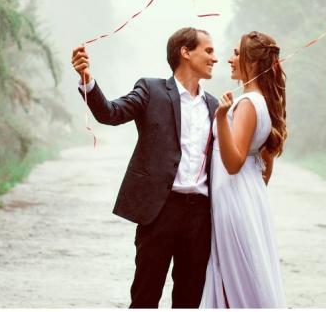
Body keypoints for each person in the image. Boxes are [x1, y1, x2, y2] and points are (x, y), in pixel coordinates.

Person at [71, 27, 219, 309]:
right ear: (185, 53)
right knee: (145, 297)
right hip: (159, 211)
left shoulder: (214, 105)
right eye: (208, 50)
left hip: (200, 216)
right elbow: (111, 113)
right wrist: (87, 80)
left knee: (189, 301)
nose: (215, 58)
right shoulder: (151, 90)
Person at [201, 30, 287, 308]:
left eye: (236, 53)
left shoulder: (248, 104)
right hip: (247, 197)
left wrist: (221, 118)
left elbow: (233, 163)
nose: (230, 59)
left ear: (252, 60)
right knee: (243, 274)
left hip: (233, 197)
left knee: (234, 277)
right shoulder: (262, 101)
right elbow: (265, 167)